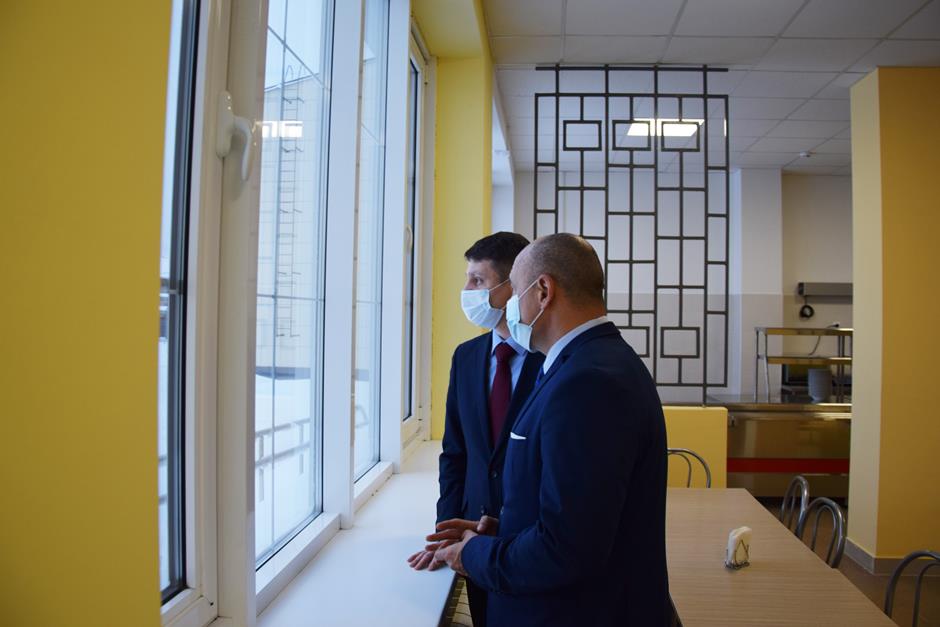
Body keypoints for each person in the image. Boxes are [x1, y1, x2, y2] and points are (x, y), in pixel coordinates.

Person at [430, 233, 670, 626]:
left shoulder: (588, 381)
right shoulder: (588, 362)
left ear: (543, 291)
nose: (510, 306)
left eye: (515, 292)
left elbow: (567, 547)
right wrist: (504, 530)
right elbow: (575, 511)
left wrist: (473, 553)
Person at [407, 232, 544, 627]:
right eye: (467, 279)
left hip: (529, 540)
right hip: (472, 538)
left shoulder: (550, 360)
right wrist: (445, 534)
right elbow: (455, 454)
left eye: (478, 281)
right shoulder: (466, 357)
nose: (466, 291)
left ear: (512, 287)